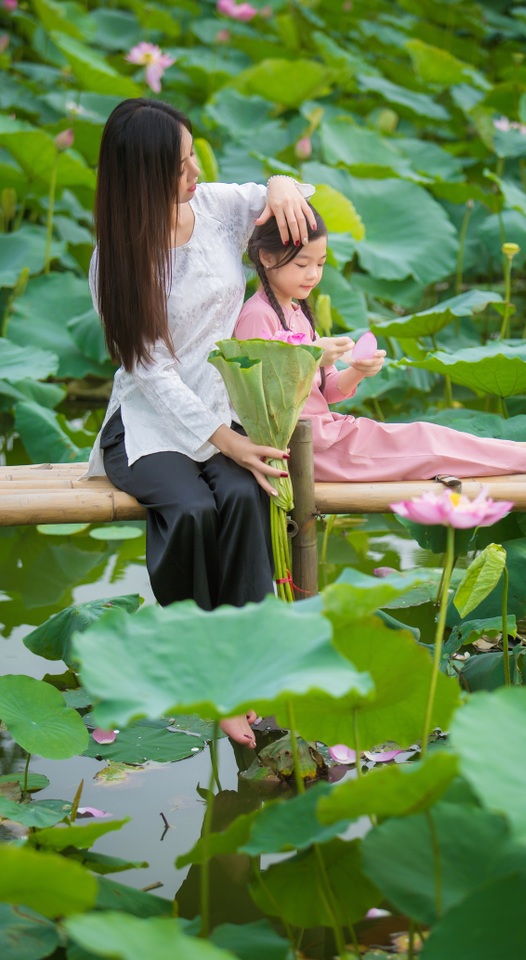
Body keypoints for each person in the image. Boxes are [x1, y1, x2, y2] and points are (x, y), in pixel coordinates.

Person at [85, 97, 316, 748]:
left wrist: (280, 181)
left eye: (193, 157)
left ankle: (245, 671)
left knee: (246, 494)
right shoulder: (119, 261)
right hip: (147, 421)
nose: (195, 173)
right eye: (180, 167)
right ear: (142, 178)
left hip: (220, 404)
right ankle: (206, 672)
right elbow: (151, 374)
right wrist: (224, 444)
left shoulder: (215, 207)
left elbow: (292, 197)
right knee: (191, 510)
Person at [234, 207, 526, 482]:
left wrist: (355, 372)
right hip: (307, 453)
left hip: (328, 435)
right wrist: (313, 354)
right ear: (267, 257)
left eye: (321, 263)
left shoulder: (296, 312)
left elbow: (326, 392)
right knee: (427, 445)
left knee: (431, 434)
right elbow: (266, 400)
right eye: (302, 264)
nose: (313, 274)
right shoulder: (257, 316)